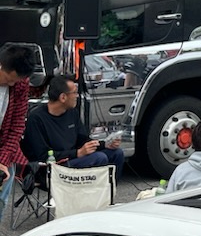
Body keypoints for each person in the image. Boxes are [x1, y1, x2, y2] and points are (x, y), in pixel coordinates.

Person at [22, 75, 125, 179]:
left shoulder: (72, 113)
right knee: (99, 158)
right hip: (52, 167)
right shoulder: (36, 118)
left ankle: (108, 189)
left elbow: (82, 140)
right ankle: (93, 189)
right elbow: (42, 156)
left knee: (116, 153)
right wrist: (77, 153)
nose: (77, 96)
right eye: (74, 92)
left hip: (73, 158)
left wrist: (105, 144)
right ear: (63, 97)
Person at [0, 44, 36, 220]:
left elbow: (17, 126)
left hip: (4, 151)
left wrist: (2, 161)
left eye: (16, 81)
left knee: (0, 203)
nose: (12, 84)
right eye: (9, 79)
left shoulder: (21, 83)